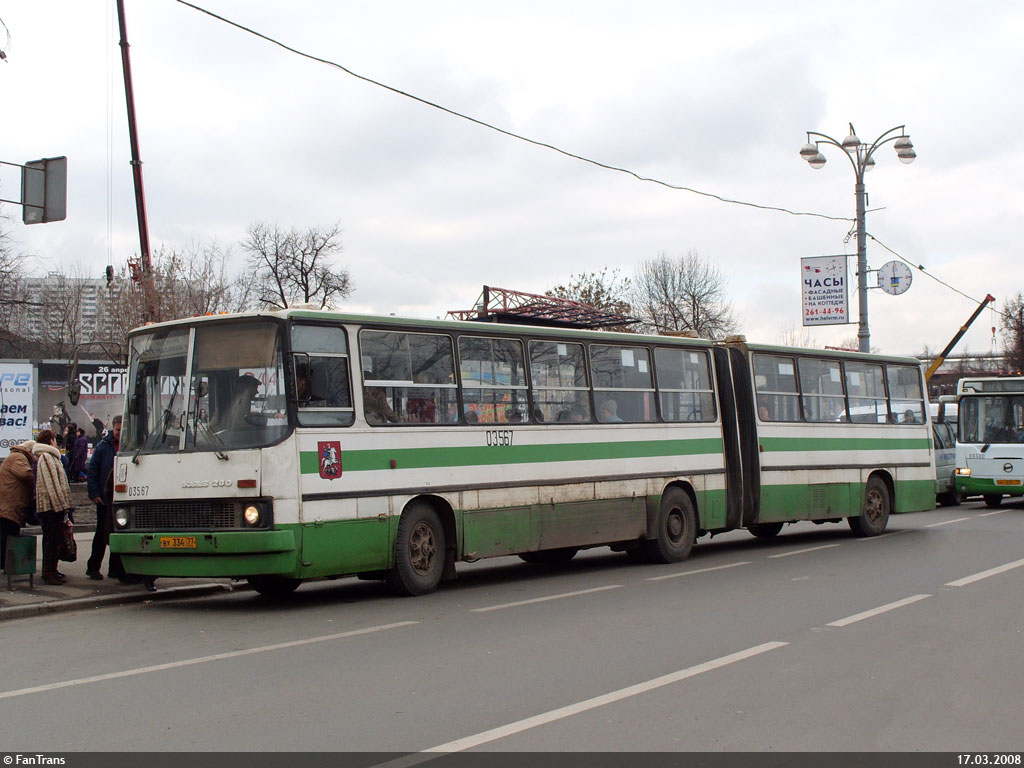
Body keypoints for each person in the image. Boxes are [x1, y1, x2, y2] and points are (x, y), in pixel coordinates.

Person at [86, 415, 131, 584]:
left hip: (121, 498)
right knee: (101, 534)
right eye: (118, 430)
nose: (120, 433)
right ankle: (93, 567)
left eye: (122, 430)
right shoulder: (103, 446)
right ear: (114, 428)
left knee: (118, 534)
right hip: (105, 498)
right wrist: (94, 493)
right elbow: (93, 472)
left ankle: (115, 569)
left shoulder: (129, 445)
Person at [32, 430, 74, 585]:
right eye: (54, 439)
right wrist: (61, 505)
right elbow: (52, 484)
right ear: (50, 440)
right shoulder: (46, 457)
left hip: (52, 506)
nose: (56, 441)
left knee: (54, 539)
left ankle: (52, 570)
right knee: (52, 540)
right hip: (51, 507)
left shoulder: (49, 456)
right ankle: (48, 572)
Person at [0, 439, 36, 572]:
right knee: (9, 534)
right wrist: (38, 483)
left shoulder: (15, 456)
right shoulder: (18, 457)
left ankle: (5, 563)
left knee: (7, 534)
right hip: (10, 504)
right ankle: (7, 564)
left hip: (9, 503)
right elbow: (26, 474)